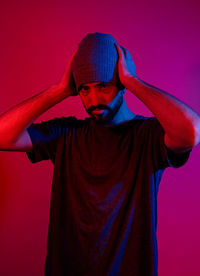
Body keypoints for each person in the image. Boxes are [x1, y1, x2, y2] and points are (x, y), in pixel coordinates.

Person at [0, 32, 199, 276]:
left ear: (121, 83)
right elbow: (3, 136)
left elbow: (191, 131)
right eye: (84, 89)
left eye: (103, 85)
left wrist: (134, 82)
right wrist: (58, 91)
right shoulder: (66, 134)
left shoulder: (148, 136)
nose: (93, 99)